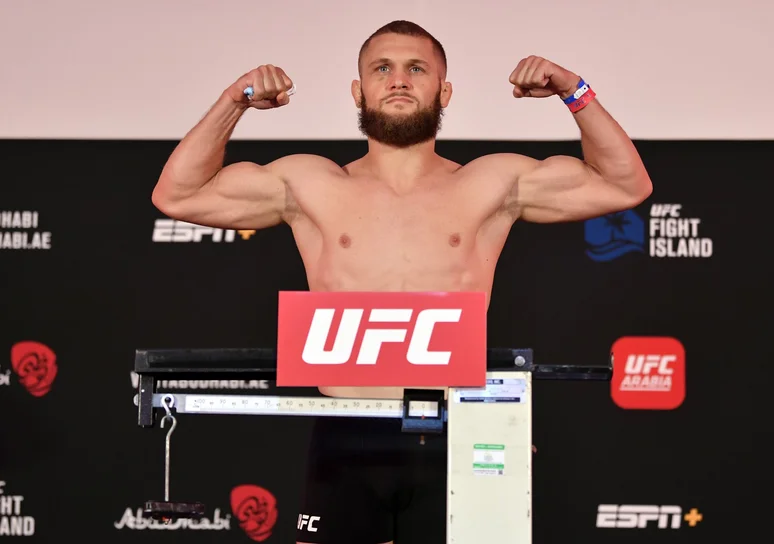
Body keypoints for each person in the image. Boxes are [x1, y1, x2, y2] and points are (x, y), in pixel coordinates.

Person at [151, 20, 652, 544]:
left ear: (444, 91)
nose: (398, 80)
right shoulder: (309, 183)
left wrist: (573, 89)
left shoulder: (490, 182)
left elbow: (625, 184)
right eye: (381, 69)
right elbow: (177, 195)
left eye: (416, 68)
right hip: (346, 430)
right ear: (358, 90)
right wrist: (234, 101)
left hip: (457, 426)